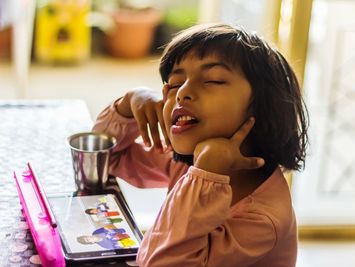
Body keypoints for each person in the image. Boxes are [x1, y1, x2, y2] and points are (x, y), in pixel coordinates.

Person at [93, 23, 308, 267]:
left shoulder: (262, 219)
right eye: (173, 84)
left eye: (213, 80)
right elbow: (103, 159)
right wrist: (129, 103)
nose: (182, 92)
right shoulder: (192, 158)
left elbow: (160, 263)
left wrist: (205, 177)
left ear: (264, 105)